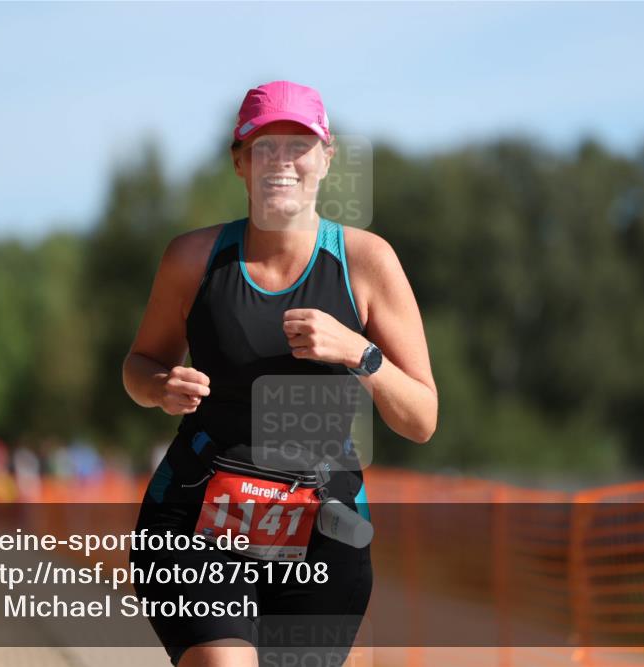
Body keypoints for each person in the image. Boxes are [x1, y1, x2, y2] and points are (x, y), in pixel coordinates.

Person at [123, 80, 437, 667]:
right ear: (240, 162)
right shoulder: (192, 259)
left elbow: (421, 418)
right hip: (196, 517)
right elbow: (138, 368)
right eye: (264, 147)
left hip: (323, 526)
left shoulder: (367, 262)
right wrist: (161, 387)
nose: (281, 162)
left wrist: (358, 352)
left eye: (298, 145)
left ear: (326, 157)